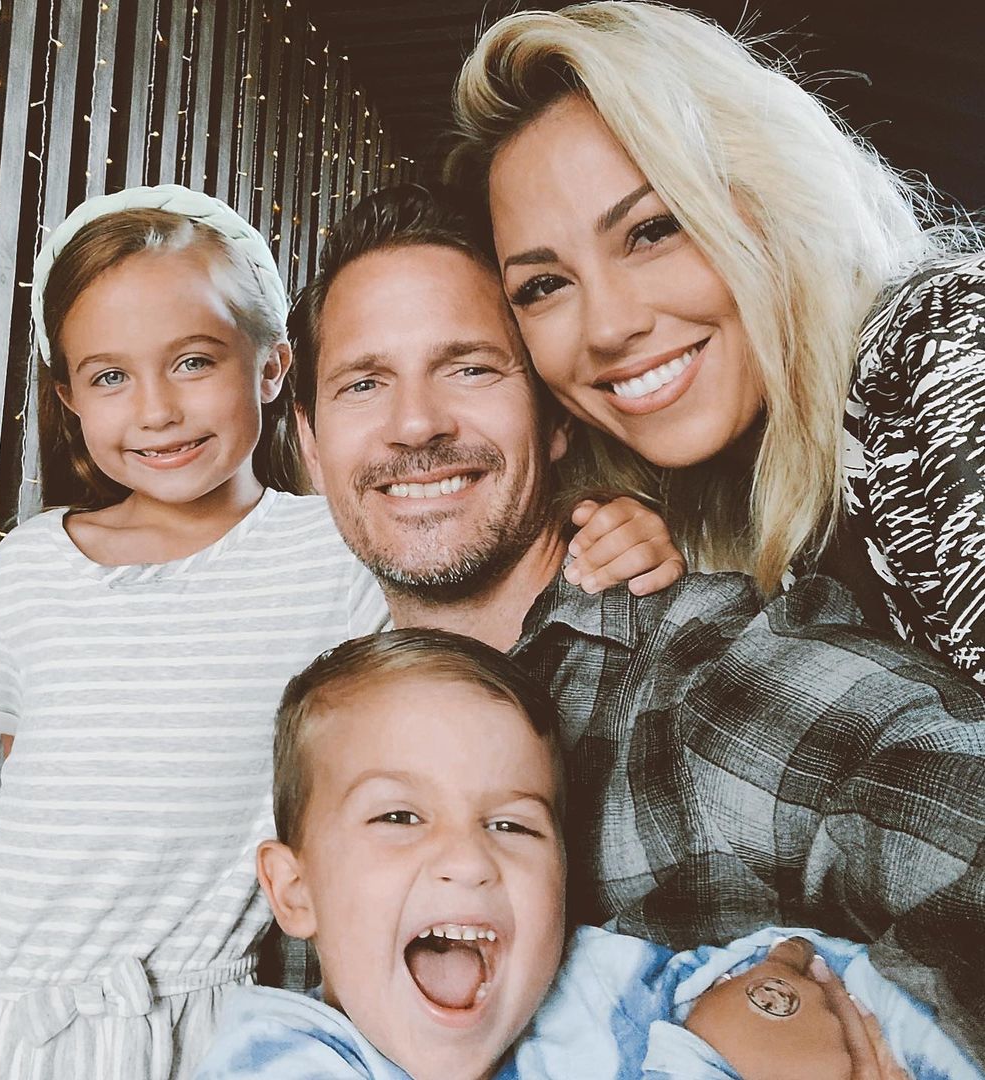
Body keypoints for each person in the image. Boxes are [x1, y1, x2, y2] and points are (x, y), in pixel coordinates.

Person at [285, 182, 985, 1063]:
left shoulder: (694, 677)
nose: (416, 423)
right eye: (364, 382)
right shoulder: (332, 729)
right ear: (311, 443)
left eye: (469, 368)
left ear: (554, 419)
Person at [0, 185, 389, 1080]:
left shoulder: (336, 551)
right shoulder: (34, 561)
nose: (156, 409)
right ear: (71, 396)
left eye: (194, 361)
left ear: (273, 366)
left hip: (180, 1014)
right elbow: (32, 775)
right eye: (111, 376)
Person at [445, 1, 985, 685]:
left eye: (653, 231)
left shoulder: (947, 342)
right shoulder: (696, 507)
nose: (608, 327)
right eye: (545, 285)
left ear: (771, 198)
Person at [194, 630, 976, 1079]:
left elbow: (815, 983)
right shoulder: (276, 1057)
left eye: (514, 826)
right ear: (294, 893)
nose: (467, 861)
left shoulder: (592, 987)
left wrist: (769, 994)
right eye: (400, 815)